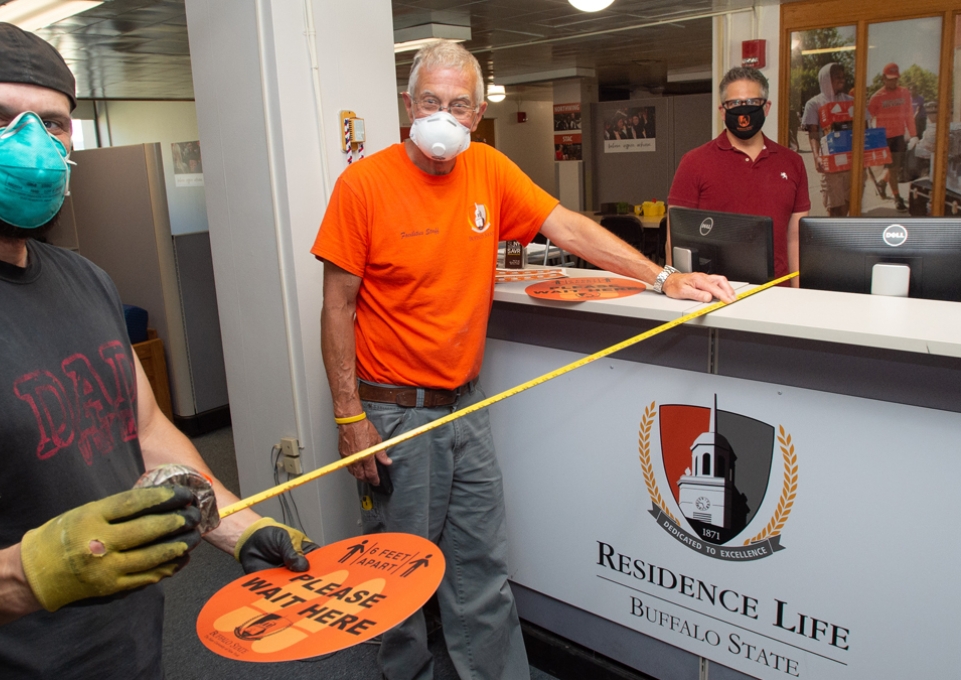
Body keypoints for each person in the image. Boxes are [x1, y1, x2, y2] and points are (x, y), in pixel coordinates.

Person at [311, 40, 734, 680]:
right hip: (394, 413)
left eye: (458, 104)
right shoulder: (363, 185)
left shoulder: (487, 169)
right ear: (408, 104)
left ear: (477, 113)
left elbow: (566, 226)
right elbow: (336, 306)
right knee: (397, 575)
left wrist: (663, 276)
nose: (442, 116)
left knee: (480, 566)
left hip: (465, 406)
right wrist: (349, 416)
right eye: (430, 101)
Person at [0, 23, 316, 679]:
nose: (32, 142)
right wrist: (29, 575)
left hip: (126, 643)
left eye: (53, 123)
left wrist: (238, 525)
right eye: (3, 118)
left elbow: (142, 430)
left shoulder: (85, 280)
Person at [668, 67, 810, 287]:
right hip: (714, 294)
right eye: (735, 104)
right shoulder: (694, 162)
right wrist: (677, 288)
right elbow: (675, 241)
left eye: (753, 102)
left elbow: (796, 239)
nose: (744, 111)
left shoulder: (792, 163)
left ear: (767, 107)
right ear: (723, 111)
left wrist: (800, 295)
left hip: (778, 294)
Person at [802, 63, 853, 216]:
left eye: (842, 76)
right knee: (834, 207)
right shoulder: (814, 104)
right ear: (825, 79)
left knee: (848, 203)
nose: (841, 79)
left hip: (851, 162)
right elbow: (813, 134)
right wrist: (817, 157)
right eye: (836, 76)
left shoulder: (850, 101)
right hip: (830, 162)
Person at [867, 63, 919, 212]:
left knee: (895, 168)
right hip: (883, 138)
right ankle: (897, 198)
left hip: (898, 137)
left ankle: (882, 183)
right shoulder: (877, 97)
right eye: (890, 79)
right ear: (884, 78)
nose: (893, 82)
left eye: (895, 79)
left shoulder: (904, 93)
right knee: (894, 169)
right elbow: (867, 118)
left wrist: (914, 134)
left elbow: (909, 114)